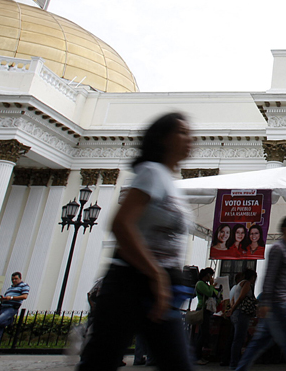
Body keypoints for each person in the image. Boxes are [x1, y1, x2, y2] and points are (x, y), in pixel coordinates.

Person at [78, 112, 194, 371]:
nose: (191, 138)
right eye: (183, 132)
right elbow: (121, 224)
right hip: (131, 285)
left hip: (158, 290)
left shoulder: (168, 179)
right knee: (99, 362)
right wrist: (156, 274)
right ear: (163, 139)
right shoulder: (151, 172)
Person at [232, 215, 286, 371]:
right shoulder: (278, 249)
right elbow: (269, 276)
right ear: (285, 229)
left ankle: (240, 369)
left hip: (279, 305)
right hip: (278, 305)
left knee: (259, 342)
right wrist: (265, 302)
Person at [0, 271, 30, 354]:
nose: (14, 280)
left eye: (16, 279)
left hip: (11, 308)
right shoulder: (10, 288)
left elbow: (24, 296)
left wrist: (11, 298)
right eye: (12, 279)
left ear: (20, 278)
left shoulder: (24, 286)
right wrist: (4, 299)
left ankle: (10, 322)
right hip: (3, 308)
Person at [225, 269, 258, 370]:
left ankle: (234, 362)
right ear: (252, 277)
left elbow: (234, 299)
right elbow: (241, 298)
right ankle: (234, 363)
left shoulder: (238, 285)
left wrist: (232, 309)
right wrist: (233, 309)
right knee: (239, 339)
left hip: (236, 313)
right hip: (241, 313)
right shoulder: (247, 284)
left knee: (236, 338)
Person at [194, 267, 222, 365]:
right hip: (202, 310)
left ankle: (199, 355)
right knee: (202, 334)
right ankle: (197, 356)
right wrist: (211, 285)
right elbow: (210, 292)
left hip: (207, 310)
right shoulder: (200, 284)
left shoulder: (205, 284)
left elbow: (216, 294)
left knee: (203, 333)